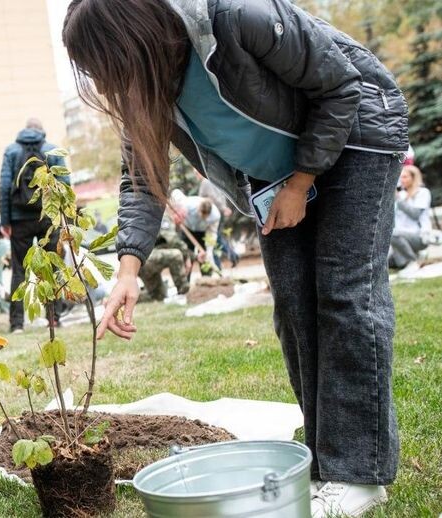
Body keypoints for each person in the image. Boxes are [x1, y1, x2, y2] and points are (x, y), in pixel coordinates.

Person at [63, 1, 409, 515]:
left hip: (357, 131)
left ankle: (359, 473)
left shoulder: (234, 17)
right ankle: (328, 460)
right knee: (294, 308)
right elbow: (142, 179)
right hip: (277, 170)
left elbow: (340, 85)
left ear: (135, 40)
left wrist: (302, 183)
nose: (112, 83)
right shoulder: (147, 88)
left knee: (344, 293)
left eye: (110, 64)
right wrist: (129, 270)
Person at [0, 118, 69, 332]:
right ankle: (54, 318)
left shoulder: (11, 151)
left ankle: (17, 324)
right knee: (53, 266)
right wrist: (64, 216)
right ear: (41, 131)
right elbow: (64, 184)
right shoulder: (52, 149)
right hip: (48, 217)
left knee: (19, 270)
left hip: (20, 220)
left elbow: (3, 187)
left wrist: (5, 221)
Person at [389, 165, 432, 273]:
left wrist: (398, 199)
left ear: (414, 178)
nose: (401, 180)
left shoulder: (422, 193)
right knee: (389, 261)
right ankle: (414, 257)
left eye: (405, 177)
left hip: (419, 236)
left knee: (392, 234)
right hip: (401, 235)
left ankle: (412, 261)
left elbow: (415, 214)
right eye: (401, 177)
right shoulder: (402, 194)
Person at [138, 219, 191, 302]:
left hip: (140, 262)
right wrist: (187, 257)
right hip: (145, 259)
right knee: (176, 255)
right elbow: (173, 239)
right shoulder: (163, 215)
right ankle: (183, 291)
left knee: (158, 296)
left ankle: (130, 298)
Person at [198, 173, 239, 268]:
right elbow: (221, 194)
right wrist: (224, 207)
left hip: (213, 214)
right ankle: (230, 257)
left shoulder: (205, 182)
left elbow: (210, 197)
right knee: (216, 238)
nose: (196, 176)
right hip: (217, 212)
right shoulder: (212, 179)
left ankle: (231, 257)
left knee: (215, 239)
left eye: (196, 173)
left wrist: (223, 208)